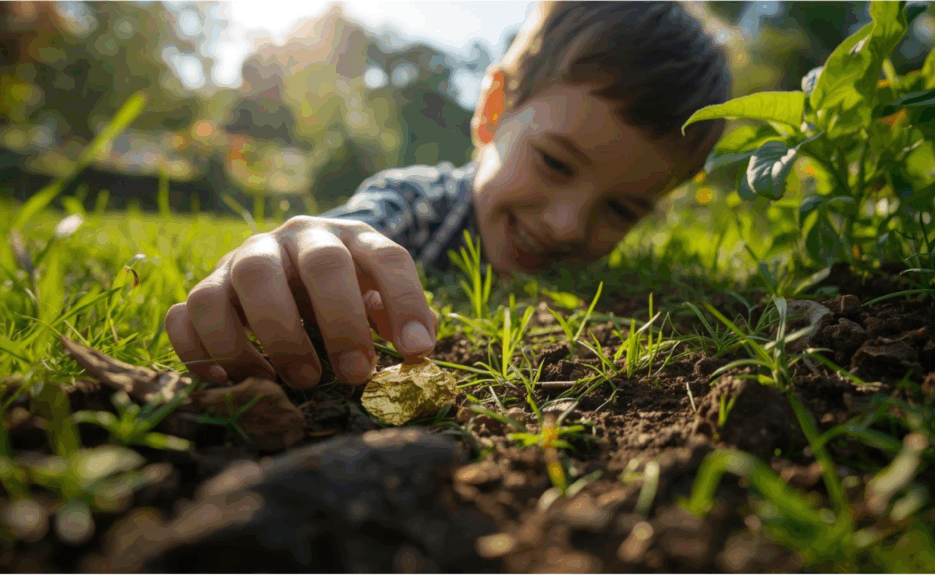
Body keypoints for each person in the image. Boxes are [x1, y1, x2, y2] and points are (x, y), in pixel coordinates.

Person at [164, 1, 730, 390]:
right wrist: (301, 253)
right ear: (493, 112)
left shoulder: (617, 287)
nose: (565, 224)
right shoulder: (418, 206)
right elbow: (356, 229)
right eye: (555, 163)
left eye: (623, 209)